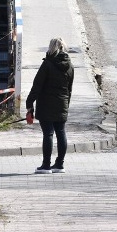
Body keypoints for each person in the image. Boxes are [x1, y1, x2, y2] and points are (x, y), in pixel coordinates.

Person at [26, 37, 74, 174]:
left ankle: (46, 165)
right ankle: (59, 164)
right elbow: (69, 88)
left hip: (46, 103)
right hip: (62, 103)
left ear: (51, 48)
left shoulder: (47, 64)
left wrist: (29, 103)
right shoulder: (70, 66)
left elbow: (37, 86)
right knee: (61, 132)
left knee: (48, 133)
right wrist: (66, 104)